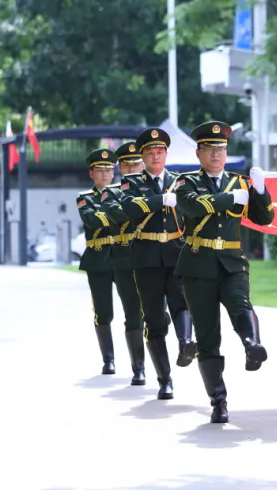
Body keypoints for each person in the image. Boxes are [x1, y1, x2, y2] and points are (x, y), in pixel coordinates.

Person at [173, 120, 274, 424]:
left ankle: (252, 345)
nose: (216, 154)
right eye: (209, 149)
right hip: (198, 264)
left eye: (220, 148)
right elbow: (193, 207)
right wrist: (231, 198)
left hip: (231, 261)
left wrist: (260, 192)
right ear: (199, 153)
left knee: (241, 303)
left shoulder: (239, 182)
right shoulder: (186, 182)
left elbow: (264, 218)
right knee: (207, 336)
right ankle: (218, 401)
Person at [115, 127, 197, 400]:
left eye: (160, 151)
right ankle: (165, 379)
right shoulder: (131, 182)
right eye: (150, 152)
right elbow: (129, 208)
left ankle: (186, 343)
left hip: (176, 252)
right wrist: (159, 200)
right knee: (153, 319)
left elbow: (192, 211)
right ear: (143, 156)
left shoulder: (179, 181)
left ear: (166, 154)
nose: (155, 156)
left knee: (181, 303)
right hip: (147, 257)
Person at [102, 141, 146, 385]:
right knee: (133, 313)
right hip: (125, 258)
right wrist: (150, 205)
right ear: (119, 167)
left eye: (136, 164)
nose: (132, 169)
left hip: (152, 256)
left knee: (158, 312)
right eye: (127, 165)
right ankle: (138, 367)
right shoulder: (111, 193)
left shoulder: (153, 188)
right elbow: (119, 214)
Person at [76, 149, 121, 376]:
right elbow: (92, 220)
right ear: (91, 173)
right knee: (103, 311)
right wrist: (117, 215)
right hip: (98, 258)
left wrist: (109, 215)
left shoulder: (123, 193)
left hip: (122, 255)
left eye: (108, 170)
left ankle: (139, 362)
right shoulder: (85, 197)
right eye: (100, 170)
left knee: (136, 307)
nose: (105, 174)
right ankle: (108, 359)